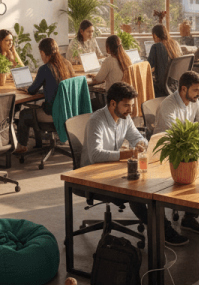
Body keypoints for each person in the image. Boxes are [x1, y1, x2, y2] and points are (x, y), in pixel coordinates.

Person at [80, 82, 188, 247]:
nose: (130, 110)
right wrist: (130, 152)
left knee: (149, 183)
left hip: (112, 169)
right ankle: (164, 231)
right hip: (91, 176)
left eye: (131, 105)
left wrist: (141, 144)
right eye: (126, 106)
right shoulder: (97, 121)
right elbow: (95, 155)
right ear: (113, 103)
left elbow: (138, 138)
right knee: (138, 194)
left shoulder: (124, 118)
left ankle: (165, 227)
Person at [154, 70, 199, 236]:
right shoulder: (169, 105)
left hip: (185, 148)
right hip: (167, 152)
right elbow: (176, 133)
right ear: (183, 89)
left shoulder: (193, 100)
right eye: (196, 90)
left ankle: (189, 217)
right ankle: (184, 218)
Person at [14, 38, 76, 154]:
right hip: (68, 112)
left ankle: (21, 146)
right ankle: (37, 143)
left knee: (23, 114)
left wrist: (26, 88)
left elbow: (32, 91)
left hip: (52, 114)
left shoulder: (45, 68)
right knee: (34, 109)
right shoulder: (67, 64)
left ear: (43, 53)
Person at [147, 23, 182, 97]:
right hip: (176, 85)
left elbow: (149, 66)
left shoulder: (156, 46)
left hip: (162, 86)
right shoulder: (175, 44)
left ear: (155, 35)